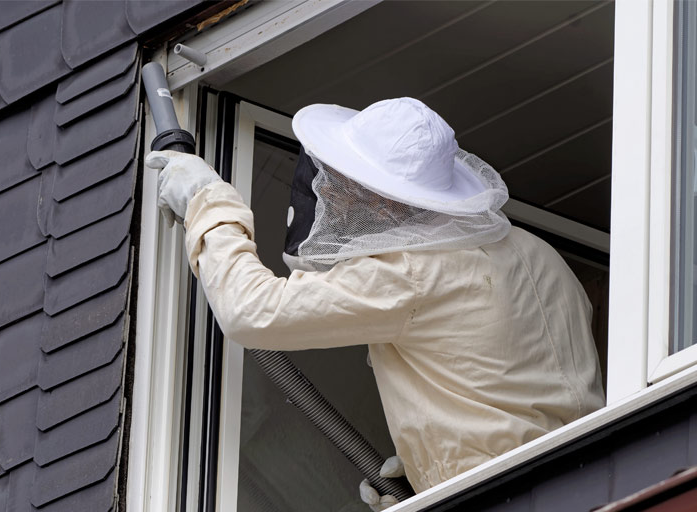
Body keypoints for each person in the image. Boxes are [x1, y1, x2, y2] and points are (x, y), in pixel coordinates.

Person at [146, 98, 605, 510]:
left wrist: (205, 200)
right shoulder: (538, 253)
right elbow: (517, 400)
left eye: (346, 187)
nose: (331, 198)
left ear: (384, 205)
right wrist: (431, 474)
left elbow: (251, 311)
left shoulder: (412, 271)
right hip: (594, 481)